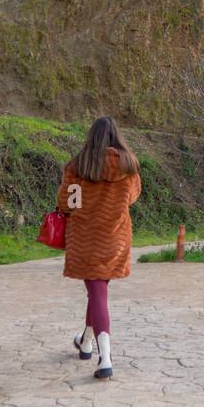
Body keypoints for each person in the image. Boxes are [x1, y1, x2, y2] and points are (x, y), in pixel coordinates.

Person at [56, 117, 141, 380]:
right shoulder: (129, 166)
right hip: (115, 238)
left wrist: (86, 200)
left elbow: (67, 204)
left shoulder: (78, 166)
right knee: (98, 291)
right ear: (116, 136)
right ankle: (85, 342)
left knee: (97, 291)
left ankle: (105, 357)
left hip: (85, 238)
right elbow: (132, 198)